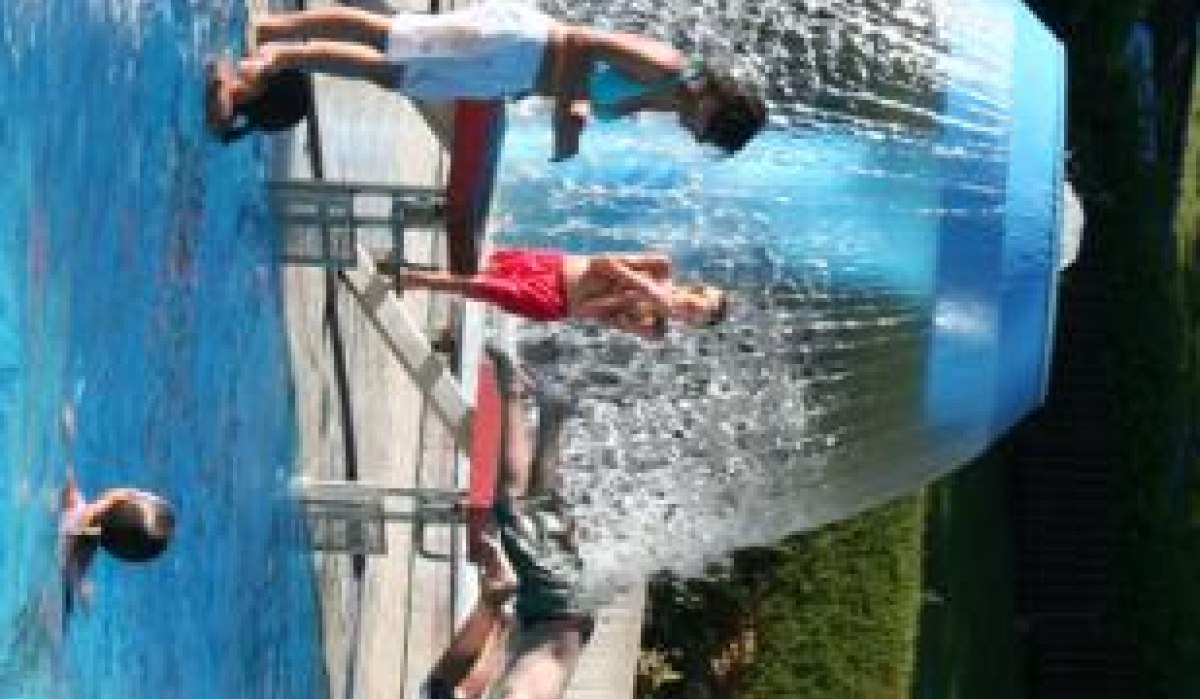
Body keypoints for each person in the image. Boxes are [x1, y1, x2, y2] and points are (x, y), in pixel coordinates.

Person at [206, 2, 767, 158]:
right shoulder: (668, 67)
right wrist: (565, 117)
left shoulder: (668, 100)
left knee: (392, 74)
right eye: (708, 127)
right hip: (516, 44)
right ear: (719, 100)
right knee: (392, 40)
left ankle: (272, 38)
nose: (695, 132)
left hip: (509, 73)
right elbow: (579, 41)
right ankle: (272, 55)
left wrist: (569, 110)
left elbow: (587, 83)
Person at [421, 347, 594, 699]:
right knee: (518, 508)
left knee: (528, 504)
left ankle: (550, 401)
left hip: (542, 611)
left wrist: (490, 605)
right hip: (561, 609)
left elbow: (444, 676)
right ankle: (526, 393)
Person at [379, 247, 729, 339]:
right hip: (556, 266)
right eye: (701, 304)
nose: (693, 310)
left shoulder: (651, 327)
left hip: (558, 301)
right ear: (696, 292)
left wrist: (634, 300)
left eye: (698, 317)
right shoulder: (659, 268)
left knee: (481, 287)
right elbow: (602, 262)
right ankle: (411, 270)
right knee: (479, 267)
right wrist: (648, 287)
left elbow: (591, 311)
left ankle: (409, 279)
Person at [57, 404, 176, 614]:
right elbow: (71, 575)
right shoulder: (89, 546)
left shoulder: (73, 501)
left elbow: (62, 470)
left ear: (120, 497)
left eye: (136, 491)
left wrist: (66, 435)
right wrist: (82, 589)